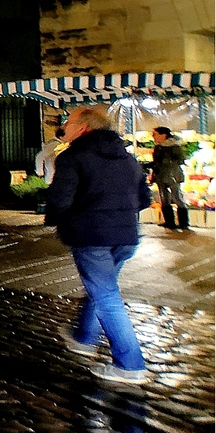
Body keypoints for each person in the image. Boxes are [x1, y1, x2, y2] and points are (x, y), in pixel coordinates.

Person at [46, 105, 153, 385]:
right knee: (102, 290)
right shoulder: (126, 157)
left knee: (106, 297)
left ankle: (130, 364)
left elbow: (60, 198)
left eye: (67, 122)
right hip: (125, 235)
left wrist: (55, 219)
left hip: (91, 234)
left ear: (84, 127)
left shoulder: (73, 157)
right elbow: (144, 199)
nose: (63, 127)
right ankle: (83, 337)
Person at [150, 127, 190, 231]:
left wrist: (166, 162)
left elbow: (180, 160)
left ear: (163, 135)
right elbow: (156, 161)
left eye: (155, 134)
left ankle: (183, 223)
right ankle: (169, 222)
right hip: (161, 175)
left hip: (173, 175)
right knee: (164, 199)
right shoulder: (158, 147)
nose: (153, 137)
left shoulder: (174, 146)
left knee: (176, 197)